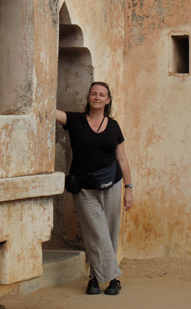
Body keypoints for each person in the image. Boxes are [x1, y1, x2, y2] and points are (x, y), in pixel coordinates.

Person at [56, 81, 133, 295]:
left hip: (112, 184)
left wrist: (129, 188)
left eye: (102, 95)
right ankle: (114, 278)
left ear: (108, 100)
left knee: (109, 233)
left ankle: (94, 278)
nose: (97, 97)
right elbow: (50, 111)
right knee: (96, 233)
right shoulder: (75, 121)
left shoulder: (114, 126)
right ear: (88, 98)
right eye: (93, 94)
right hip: (84, 187)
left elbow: (122, 159)